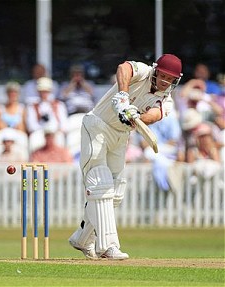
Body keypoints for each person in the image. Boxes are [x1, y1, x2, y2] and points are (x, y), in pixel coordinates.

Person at [68, 54, 183, 260]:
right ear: (156, 70)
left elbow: (154, 115)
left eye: (170, 79)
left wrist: (135, 117)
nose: (165, 81)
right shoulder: (144, 71)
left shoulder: (167, 101)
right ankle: (108, 247)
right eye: (163, 75)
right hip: (96, 126)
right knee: (100, 183)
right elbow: (124, 67)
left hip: (121, 136)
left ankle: (82, 239)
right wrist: (123, 95)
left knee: (117, 191)